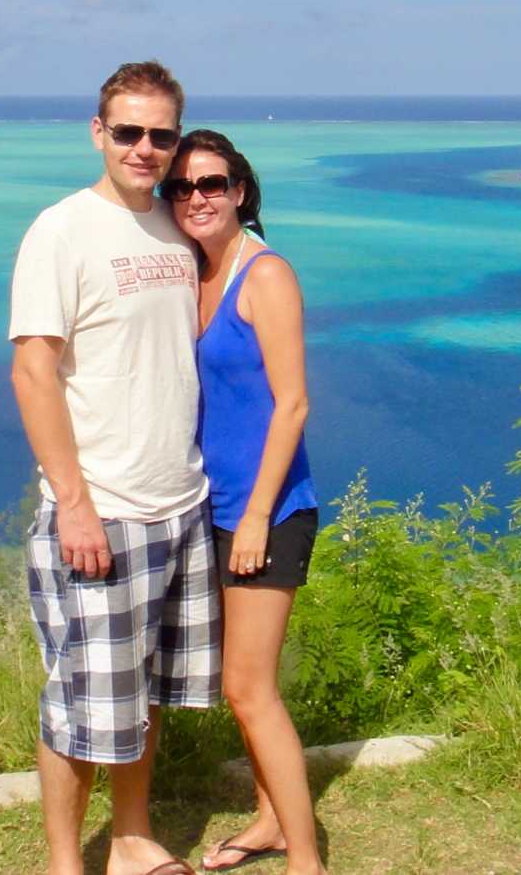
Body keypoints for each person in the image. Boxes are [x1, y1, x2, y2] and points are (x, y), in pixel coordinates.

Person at [9, 63, 221, 875]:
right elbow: (34, 370)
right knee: (78, 704)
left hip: (179, 504)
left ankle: (132, 839)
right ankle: (67, 863)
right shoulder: (61, 230)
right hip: (102, 511)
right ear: (97, 132)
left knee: (144, 698)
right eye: (128, 131)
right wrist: (74, 504)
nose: (145, 147)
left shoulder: (176, 226)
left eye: (160, 134)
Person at [161, 130, 326, 875]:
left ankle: (307, 858)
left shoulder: (266, 275)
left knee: (247, 688)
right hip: (211, 506)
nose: (199, 197)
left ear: (240, 191)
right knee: (243, 686)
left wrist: (257, 514)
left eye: (214, 183)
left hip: (269, 509)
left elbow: (292, 406)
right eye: (184, 186)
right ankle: (268, 820)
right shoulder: (192, 273)